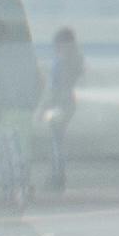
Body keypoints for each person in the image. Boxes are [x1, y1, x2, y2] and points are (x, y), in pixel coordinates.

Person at [39, 23, 84, 196]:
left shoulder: (60, 62)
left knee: (56, 142)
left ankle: (57, 177)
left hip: (59, 105)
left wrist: (43, 108)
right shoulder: (77, 59)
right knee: (58, 141)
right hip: (69, 104)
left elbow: (53, 87)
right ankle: (58, 175)